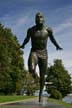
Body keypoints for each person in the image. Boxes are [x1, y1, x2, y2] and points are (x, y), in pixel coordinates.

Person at [20, 12, 62, 102]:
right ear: (35, 19)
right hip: (34, 51)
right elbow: (27, 39)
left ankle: (40, 94)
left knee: (43, 75)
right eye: (37, 17)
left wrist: (57, 45)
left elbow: (52, 39)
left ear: (44, 19)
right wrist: (23, 45)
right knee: (31, 68)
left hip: (44, 53)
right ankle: (35, 75)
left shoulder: (48, 30)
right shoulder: (31, 30)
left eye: (41, 17)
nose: (39, 18)